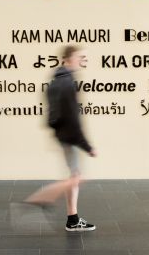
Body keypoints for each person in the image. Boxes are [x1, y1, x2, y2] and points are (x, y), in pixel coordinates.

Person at [23, 45, 96, 232]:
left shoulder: (56, 80)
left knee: (74, 175)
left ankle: (72, 218)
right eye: (80, 57)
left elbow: (52, 113)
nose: (82, 61)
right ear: (68, 59)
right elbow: (73, 118)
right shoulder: (67, 83)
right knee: (76, 178)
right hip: (70, 135)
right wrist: (87, 146)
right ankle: (42, 197)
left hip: (62, 134)